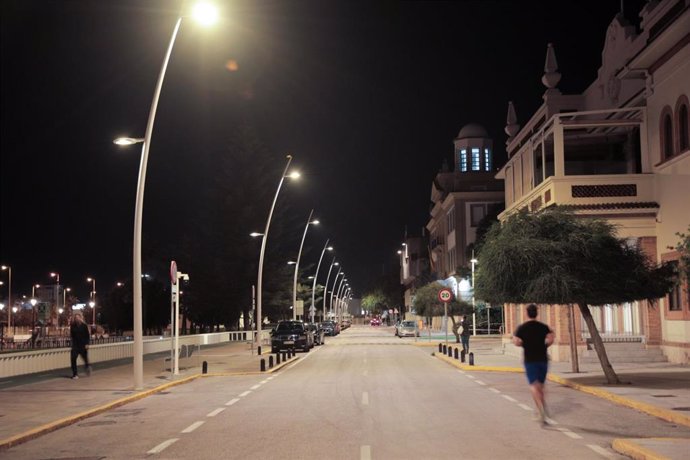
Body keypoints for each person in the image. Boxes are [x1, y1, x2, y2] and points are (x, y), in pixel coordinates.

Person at [513, 304, 555, 425]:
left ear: (527, 313)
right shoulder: (543, 327)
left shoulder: (522, 328)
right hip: (543, 359)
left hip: (530, 359)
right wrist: (545, 345)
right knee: (541, 385)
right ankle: (541, 408)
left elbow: (516, 341)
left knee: (533, 385)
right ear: (537, 313)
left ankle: (541, 409)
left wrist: (523, 344)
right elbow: (551, 338)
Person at [70, 312, 91, 379]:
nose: (77, 319)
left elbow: (87, 335)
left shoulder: (84, 326)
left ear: (80, 318)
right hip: (75, 345)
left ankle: (87, 366)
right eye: (75, 318)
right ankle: (75, 374)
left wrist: (87, 344)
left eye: (78, 318)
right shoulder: (72, 326)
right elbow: (72, 336)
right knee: (73, 359)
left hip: (83, 345)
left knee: (85, 359)